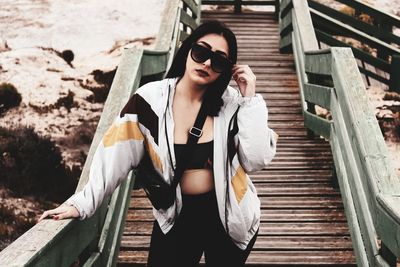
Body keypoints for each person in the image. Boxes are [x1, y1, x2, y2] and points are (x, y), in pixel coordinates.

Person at [39, 20, 278, 267]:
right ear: (187, 50)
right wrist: (82, 204)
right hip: (177, 214)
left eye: (218, 60)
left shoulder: (232, 104)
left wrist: (250, 98)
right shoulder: (149, 101)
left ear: (226, 70)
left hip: (229, 214)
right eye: (201, 52)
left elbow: (255, 159)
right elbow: (113, 155)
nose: (207, 63)